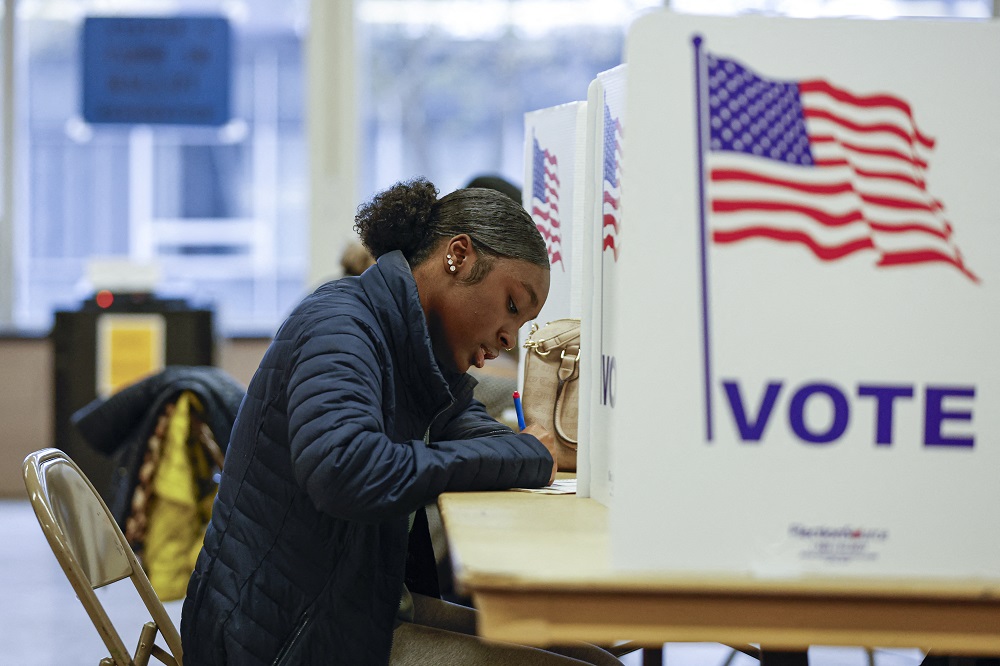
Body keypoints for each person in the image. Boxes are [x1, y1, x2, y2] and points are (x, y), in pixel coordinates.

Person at [180, 179, 622, 666]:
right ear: (459, 255)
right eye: (511, 306)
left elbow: (470, 428)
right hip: (280, 640)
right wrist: (527, 454)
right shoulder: (342, 324)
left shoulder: (412, 342)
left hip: (350, 606)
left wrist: (529, 452)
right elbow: (346, 470)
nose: (509, 338)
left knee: (601, 660)